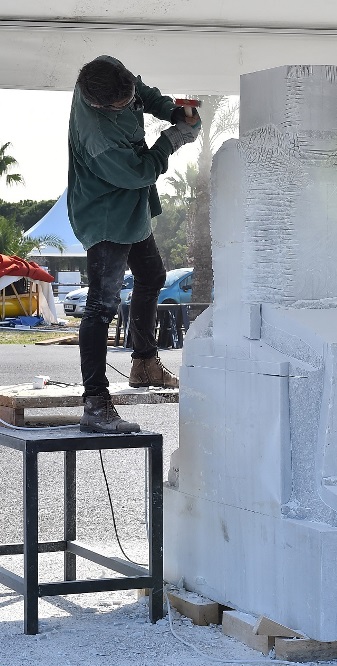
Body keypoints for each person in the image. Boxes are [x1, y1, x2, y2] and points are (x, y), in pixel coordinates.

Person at [67, 55, 201, 434]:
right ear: (98, 103)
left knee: (153, 274)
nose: (130, 104)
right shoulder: (97, 137)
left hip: (132, 206)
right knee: (100, 306)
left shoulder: (110, 73)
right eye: (122, 105)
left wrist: (173, 111)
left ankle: (144, 363)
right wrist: (175, 138)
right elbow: (141, 170)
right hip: (106, 213)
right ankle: (95, 403)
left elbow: (141, 91)